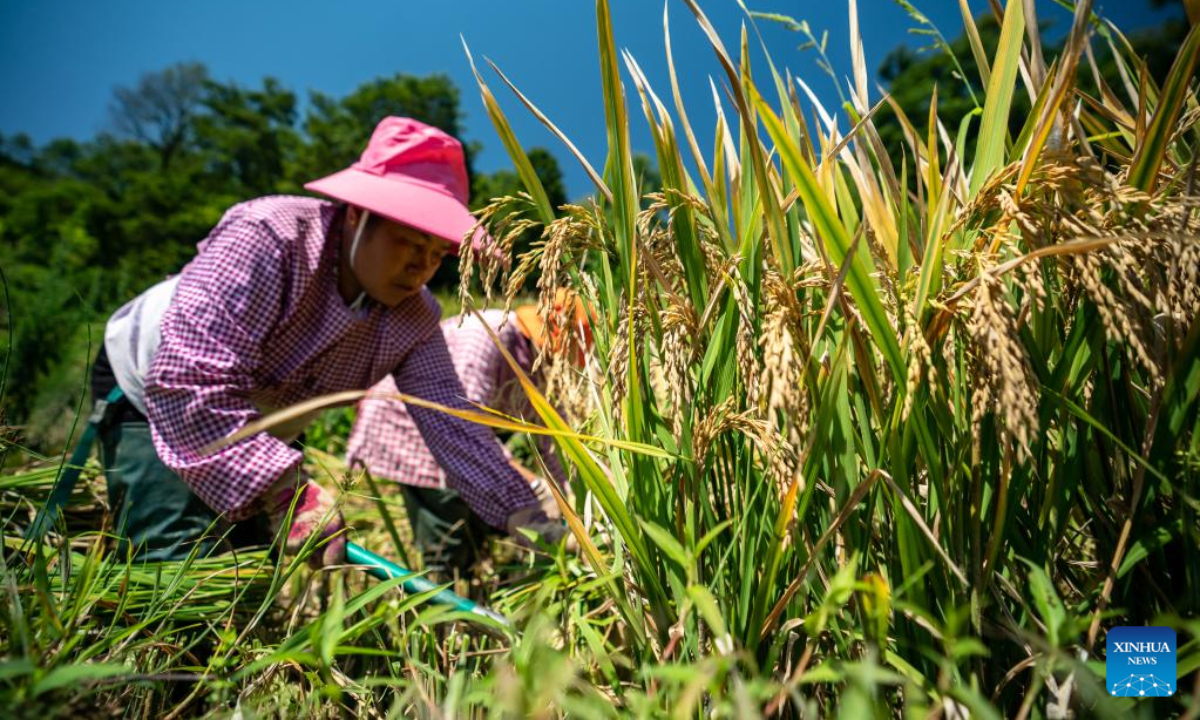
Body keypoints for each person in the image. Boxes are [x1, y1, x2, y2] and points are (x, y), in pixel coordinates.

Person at [90, 116, 565, 565]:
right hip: (153, 388)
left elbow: (456, 429)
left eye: (438, 253)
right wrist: (285, 490)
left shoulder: (414, 317)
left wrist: (535, 521)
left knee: (246, 567)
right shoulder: (269, 239)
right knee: (180, 562)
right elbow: (191, 381)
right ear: (359, 214)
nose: (422, 267)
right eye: (411, 243)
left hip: (264, 420)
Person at [346, 291, 593, 580]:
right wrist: (535, 486)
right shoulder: (484, 339)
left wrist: (575, 499)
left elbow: (554, 439)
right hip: (413, 433)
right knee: (449, 537)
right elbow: (461, 428)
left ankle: (477, 595)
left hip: (466, 440)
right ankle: (445, 611)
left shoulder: (541, 366)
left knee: (482, 524)